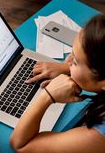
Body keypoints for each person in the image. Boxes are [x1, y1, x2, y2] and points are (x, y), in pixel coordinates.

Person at [10, 14, 105, 153]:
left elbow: (20, 145)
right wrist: (69, 68)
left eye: (75, 61)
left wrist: (47, 96)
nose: (68, 58)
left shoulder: (98, 137)